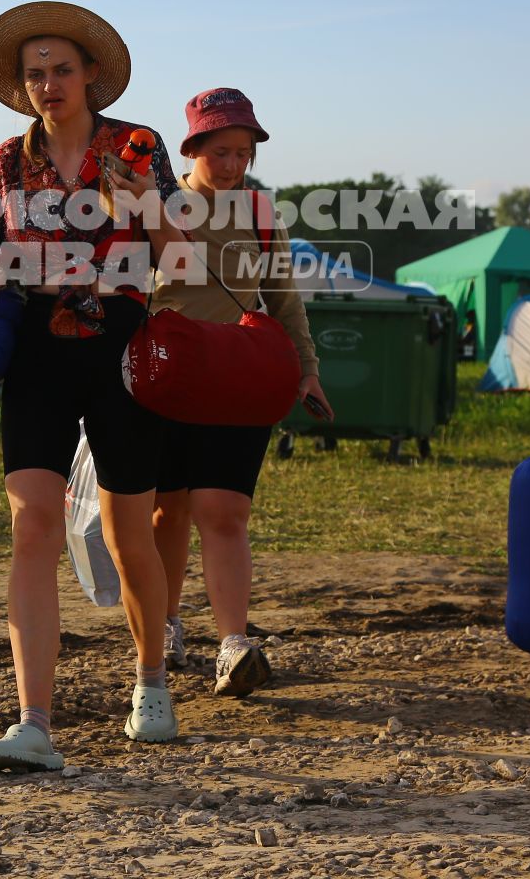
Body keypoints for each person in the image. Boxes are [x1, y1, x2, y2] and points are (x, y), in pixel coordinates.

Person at [0, 1, 185, 772]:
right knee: (32, 525)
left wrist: (142, 201)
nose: (48, 84)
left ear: (92, 74)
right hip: (36, 347)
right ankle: (34, 723)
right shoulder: (5, 161)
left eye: (61, 70)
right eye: (35, 74)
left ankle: (151, 680)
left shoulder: (138, 144)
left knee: (128, 534)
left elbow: (178, 255)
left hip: (122, 343)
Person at [148, 89, 330, 699]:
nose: (232, 165)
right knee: (166, 510)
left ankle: (232, 645)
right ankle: (166, 625)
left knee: (225, 512)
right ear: (192, 148)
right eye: (220, 151)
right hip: (168, 378)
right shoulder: (159, 204)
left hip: (237, 377)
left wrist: (306, 369)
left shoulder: (259, 212)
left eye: (243, 153)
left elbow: (283, 297)